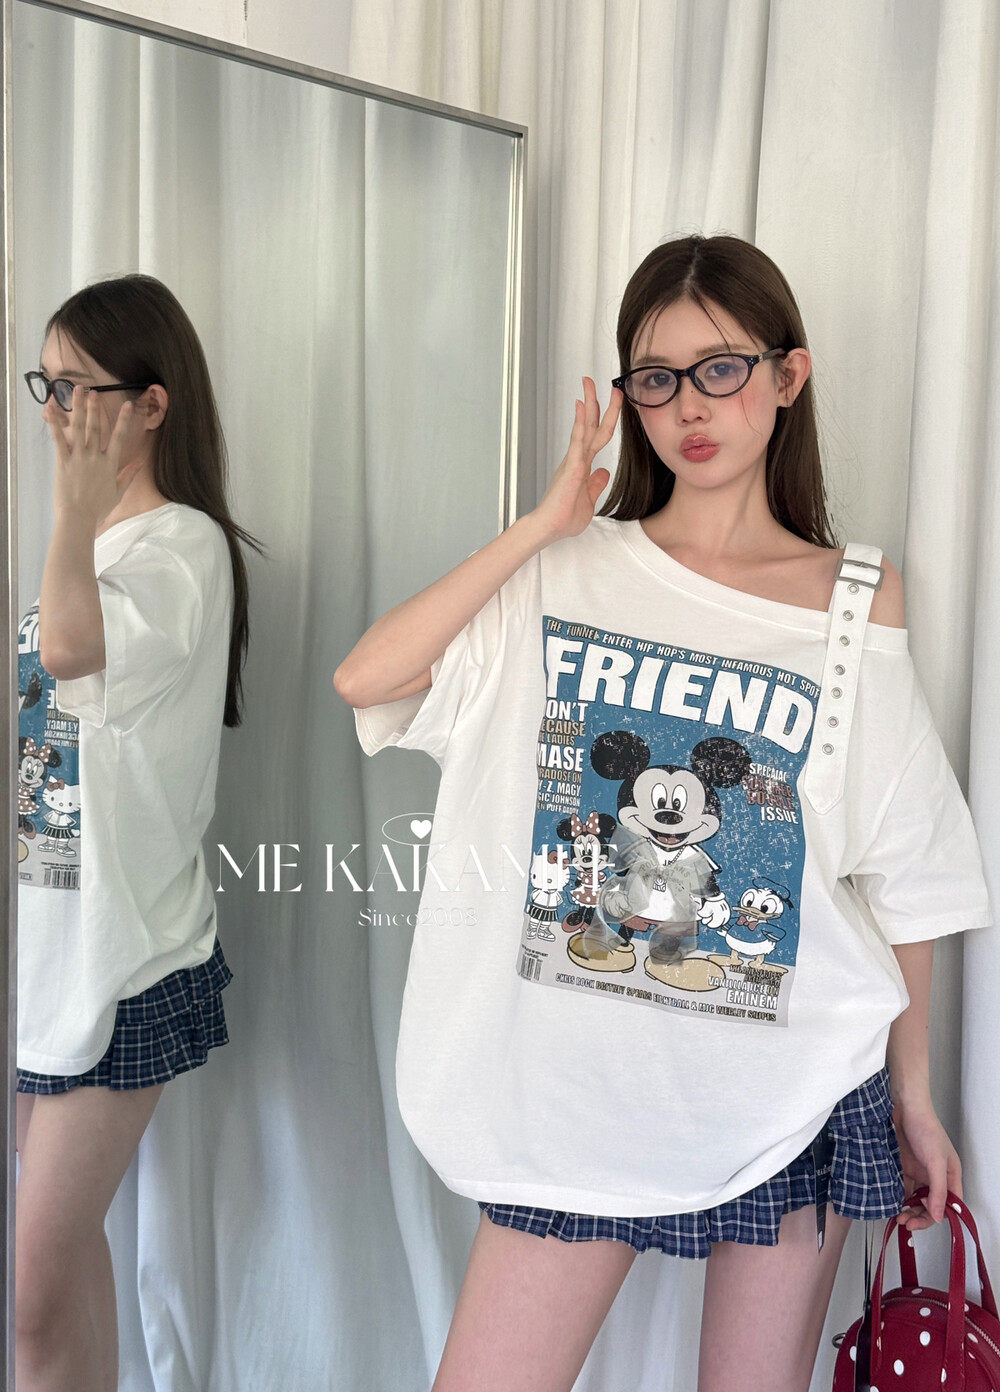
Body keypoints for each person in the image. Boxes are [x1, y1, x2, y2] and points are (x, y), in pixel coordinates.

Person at [336, 234, 993, 1392]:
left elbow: (902, 867)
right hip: (569, 1096)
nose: (688, 405)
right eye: (655, 377)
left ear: (787, 376)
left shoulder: (853, 598)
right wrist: (543, 527)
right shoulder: (562, 572)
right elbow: (367, 679)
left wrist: (913, 1094)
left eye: (720, 368)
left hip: (785, 1090)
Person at [15, 273, 263, 1392]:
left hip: (123, 961)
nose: (60, 416)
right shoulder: (95, 550)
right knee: (64, 1271)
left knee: (30, 1293)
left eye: (81, 389)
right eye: (48, 388)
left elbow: (70, 651)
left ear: (152, 404)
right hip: (51, 946)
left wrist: (70, 511)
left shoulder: (181, 548)